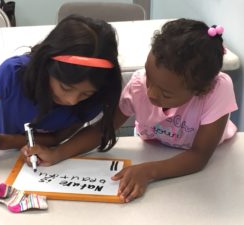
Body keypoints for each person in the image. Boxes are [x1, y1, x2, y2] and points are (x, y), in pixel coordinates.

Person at [40, 18, 238, 203]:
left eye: (166, 94)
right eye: (149, 78)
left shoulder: (217, 90)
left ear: (202, 90)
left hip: (214, 160)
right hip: (151, 149)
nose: (150, 93)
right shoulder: (138, 85)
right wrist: (58, 152)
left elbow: (199, 155)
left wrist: (149, 171)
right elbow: (104, 128)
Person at [0, 14, 122, 202]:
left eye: (85, 94)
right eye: (65, 88)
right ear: (46, 65)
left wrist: (5, 141)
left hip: (29, 156)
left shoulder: (95, 98)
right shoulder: (14, 73)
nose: (71, 100)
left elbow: (56, 138)